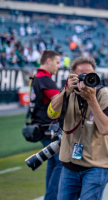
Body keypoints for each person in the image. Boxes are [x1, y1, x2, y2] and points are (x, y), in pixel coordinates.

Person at [48, 57, 108, 200]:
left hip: (97, 164)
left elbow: (106, 129)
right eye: (81, 75)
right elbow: (51, 113)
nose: (85, 79)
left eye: (89, 75)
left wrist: (91, 99)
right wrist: (66, 90)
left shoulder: (103, 95)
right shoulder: (67, 93)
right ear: (72, 76)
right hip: (70, 165)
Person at [29, 49, 62, 200]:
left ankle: (49, 197)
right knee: (59, 164)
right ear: (48, 61)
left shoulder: (37, 77)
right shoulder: (44, 78)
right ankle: (51, 198)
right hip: (48, 127)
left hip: (41, 126)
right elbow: (60, 103)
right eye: (57, 62)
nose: (58, 66)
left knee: (52, 164)